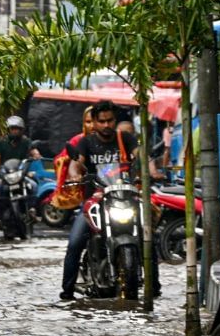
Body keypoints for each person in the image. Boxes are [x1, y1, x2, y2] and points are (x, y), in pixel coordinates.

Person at [60, 99, 160, 300]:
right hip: (95, 201)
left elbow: (141, 156)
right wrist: (74, 174)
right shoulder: (86, 143)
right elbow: (75, 163)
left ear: (115, 120)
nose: (106, 125)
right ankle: (67, 290)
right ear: (94, 122)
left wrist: (151, 171)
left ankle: (154, 285)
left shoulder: (126, 139)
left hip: (125, 197)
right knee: (75, 243)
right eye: (102, 121)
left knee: (148, 236)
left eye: (110, 120)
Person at [0, 115, 32, 230]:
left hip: (20, 174)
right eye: (12, 128)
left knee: (35, 186)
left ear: (22, 130)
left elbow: (32, 153)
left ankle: (31, 211)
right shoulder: (2, 142)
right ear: (8, 129)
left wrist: (35, 155)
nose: (15, 131)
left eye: (17, 128)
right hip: (4, 175)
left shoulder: (26, 142)